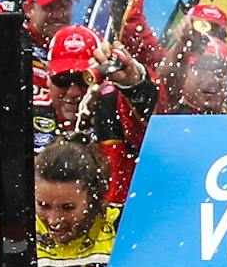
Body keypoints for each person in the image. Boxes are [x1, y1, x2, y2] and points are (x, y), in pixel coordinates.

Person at [35, 26, 157, 205]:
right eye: (62, 80)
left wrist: (134, 83)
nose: (73, 91)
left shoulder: (118, 105)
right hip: (46, 228)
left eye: (83, 79)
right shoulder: (27, 114)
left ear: (103, 75)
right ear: (47, 77)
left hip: (116, 226)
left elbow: (151, 117)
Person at [34, 140, 118, 267]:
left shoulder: (123, 226)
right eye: (43, 205)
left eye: (67, 208)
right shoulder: (20, 233)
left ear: (93, 197)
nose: (54, 220)